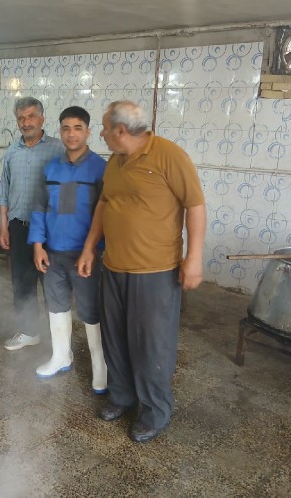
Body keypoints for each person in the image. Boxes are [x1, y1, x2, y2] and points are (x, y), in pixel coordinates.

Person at [77, 100, 206, 443]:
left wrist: (194, 258)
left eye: (104, 128)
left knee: (151, 345)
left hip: (155, 271)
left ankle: (154, 411)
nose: (101, 133)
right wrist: (90, 248)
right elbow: (105, 203)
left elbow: (195, 205)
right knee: (115, 338)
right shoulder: (115, 161)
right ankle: (122, 396)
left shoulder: (169, 155)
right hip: (114, 266)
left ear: (120, 130)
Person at [28, 106, 108, 393]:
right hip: (53, 253)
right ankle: (61, 356)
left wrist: (94, 250)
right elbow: (39, 208)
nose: (71, 134)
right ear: (59, 131)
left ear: (88, 131)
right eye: (66, 128)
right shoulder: (51, 168)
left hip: (86, 256)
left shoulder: (100, 168)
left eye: (77, 128)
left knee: (90, 311)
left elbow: (107, 214)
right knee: (56, 305)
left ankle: (101, 367)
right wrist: (38, 245)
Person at [0, 97, 63, 351]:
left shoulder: (58, 149)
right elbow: (4, 192)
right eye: (21, 118)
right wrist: (4, 226)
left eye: (31, 116)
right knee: (22, 284)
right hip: (18, 226)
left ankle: (59, 341)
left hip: (50, 231)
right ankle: (29, 332)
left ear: (42, 119)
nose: (26, 122)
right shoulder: (12, 152)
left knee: (53, 286)